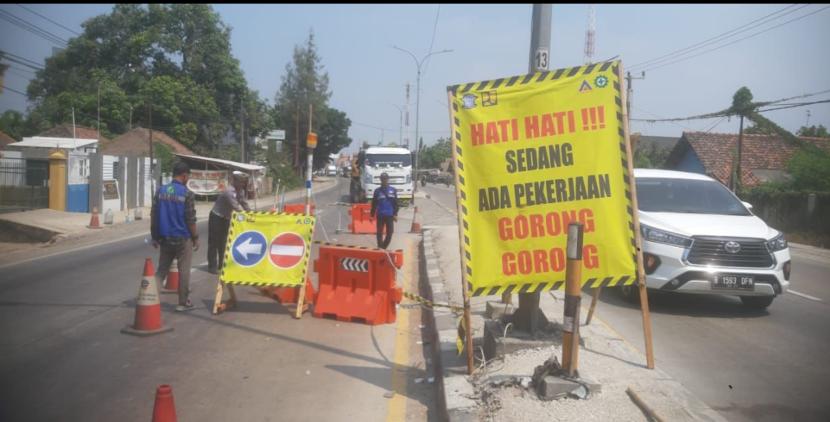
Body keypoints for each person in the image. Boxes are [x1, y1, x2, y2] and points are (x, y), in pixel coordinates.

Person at [151, 161, 199, 312]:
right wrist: (195, 237)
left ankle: (150, 299)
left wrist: (154, 236)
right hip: (182, 238)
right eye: (188, 176)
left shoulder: (160, 191)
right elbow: (190, 219)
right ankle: (182, 303)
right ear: (184, 176)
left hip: (165, 237)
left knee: (161, 270)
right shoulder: (187, 194)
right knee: (184, 270)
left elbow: (154, 215)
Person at [207, 171, 251, 274]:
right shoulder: (229, 192)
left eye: (244, 182)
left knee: (224, 242)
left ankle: (222, 264)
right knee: (214, 242)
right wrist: (246, 216)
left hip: (226, 218)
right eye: (241, 182)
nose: (243, 184)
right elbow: (236, 207)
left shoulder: (240, 191)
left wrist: (251, 213)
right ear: (235, 181)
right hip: (216, 217)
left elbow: (244, 203)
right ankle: (212, 266)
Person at [370, 172, 399, 249]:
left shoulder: (393, 190)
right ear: (380, 180)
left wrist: (395, 214)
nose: (384, 180)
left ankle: (383, 247)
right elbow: (374, 204)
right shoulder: (377, 191)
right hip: (380, 215)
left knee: (390, 233)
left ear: (388, 179)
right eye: (382, 179)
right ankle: (380, 247)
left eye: (385, 179)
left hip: (390, 215)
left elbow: (396, 203)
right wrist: (371, 215)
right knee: (379, 233)